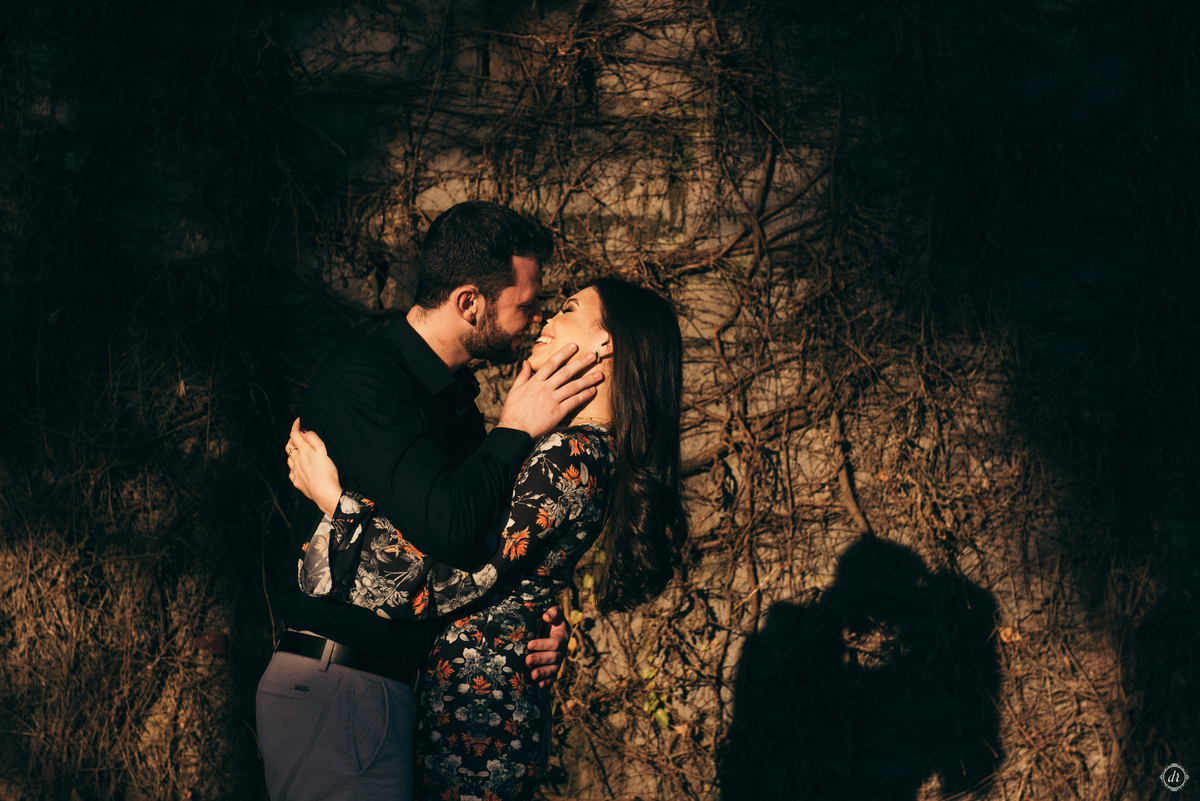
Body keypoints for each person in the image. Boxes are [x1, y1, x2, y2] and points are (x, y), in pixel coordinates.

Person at [286, 277, 689, 800]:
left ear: (605, 345)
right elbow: (509, 569)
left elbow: (458, 575)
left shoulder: (571, 454)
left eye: (567, 310)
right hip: (476, 704)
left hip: (479, 719)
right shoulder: (581, 450)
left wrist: (335, 504)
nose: (546, 320)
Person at [257, 201, 605, 801]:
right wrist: (514, 431)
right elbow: (450, 529)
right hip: (341, 683)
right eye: (525, 304)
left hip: (383, 689)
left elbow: (481, 554)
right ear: (470, 303)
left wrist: (536, 620)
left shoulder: (454, 406)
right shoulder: (367, 381)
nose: (537, 317)